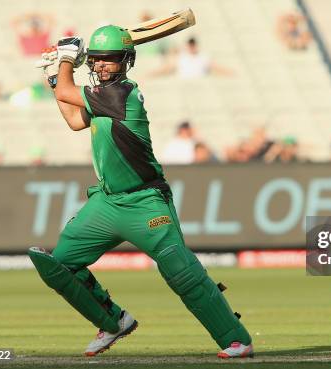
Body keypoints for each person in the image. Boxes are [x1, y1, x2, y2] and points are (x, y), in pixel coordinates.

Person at [31, 26, 253, 358]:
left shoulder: (121, 94)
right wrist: (55, 75)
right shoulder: (99, 96)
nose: (103, 66)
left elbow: (67, 90)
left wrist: (65, 61)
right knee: (60, 264)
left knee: (181, 272)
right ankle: (113, 321)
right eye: (98, 60)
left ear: (126, 63)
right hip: (107, 203)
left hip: (146, 201)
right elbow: (75, 119)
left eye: (111, 60)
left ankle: (236, 339)